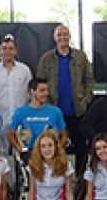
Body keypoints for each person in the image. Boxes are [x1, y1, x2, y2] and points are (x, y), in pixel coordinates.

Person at [36, 24, 94, 153]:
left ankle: (79, 173)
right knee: (53, 145)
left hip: (77, 110)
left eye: (65, 34)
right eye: (59, 35)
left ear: (69, 36)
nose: (63, 37)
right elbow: (39, 83)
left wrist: (85, 100)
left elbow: (89, 80)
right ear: (54, 38)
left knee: (81, 145)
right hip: (53, 109)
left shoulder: (81, 56)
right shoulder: (46, 59)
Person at [13, 130, 75, 200]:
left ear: (56, 147)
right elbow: (32, 190)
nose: (47, 149)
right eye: (43, 146)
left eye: (50, 145)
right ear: (39, 149)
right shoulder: (33, 165)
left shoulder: (66, 165)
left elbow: (69, 191)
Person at [0, 34, 32, 155]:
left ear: (15, 51)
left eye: (10, 48)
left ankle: (19, 175)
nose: (7, 51)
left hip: (21, 121)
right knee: (0, 155)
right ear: (0, 51)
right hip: (0, 121)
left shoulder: (24, 70)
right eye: (4, 48)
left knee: (21, 153)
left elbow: (30, 95)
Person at [9, 78, 68, 154]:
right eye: (42, 90)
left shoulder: (56, 112)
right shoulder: (20, 112)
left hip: (49, 154)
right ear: (32, 91)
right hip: (28, 153)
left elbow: (64, 135)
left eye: (47, 90)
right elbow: (11, 135)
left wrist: (58, 148)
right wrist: (18, 147)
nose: (46, 93)